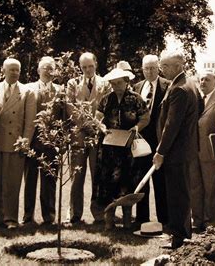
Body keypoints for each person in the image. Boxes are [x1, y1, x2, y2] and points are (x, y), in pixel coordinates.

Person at [93, 61, 150, 230]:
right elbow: (97, 117)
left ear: (126, 81)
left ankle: (127, 221)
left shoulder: (136, 99)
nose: (116, 86)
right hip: (109, 148)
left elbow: (145, 118)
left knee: (127, 181)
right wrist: (101, 127)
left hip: (128, 149)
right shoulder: (105, 99)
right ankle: (109, 221)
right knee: (108, 183)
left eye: (119, 82)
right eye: (113, 83)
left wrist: (137, 128)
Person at [152, 50, 200, 249]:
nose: (162, 70)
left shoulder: (180, 89)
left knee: (177, 195)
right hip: (184, 149)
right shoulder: (189, 84)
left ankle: (178, 237)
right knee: (181, 192)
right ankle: (182, 233)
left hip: (176, 152)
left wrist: (160, 152)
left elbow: (172, 125)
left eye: (165, 66)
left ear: (178, 66)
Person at [0, 58, 36, 229]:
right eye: (12, 70)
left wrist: (25, 142)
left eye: (18, 70)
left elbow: (30, 121)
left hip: (16, 143)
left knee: (13, 183)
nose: (15, 73)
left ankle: (10, 218)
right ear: (3, 70)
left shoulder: (27, 92)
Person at [66, 52, 110, 224]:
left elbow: (106, 105)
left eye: (90, 66)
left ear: (96, 64)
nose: (87, 70)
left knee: (97, 175)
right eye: (84, 67)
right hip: (79, 135)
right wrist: (85, 124)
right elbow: (70, 107)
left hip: (98, 135)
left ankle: (98, 213)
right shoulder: (73, 83)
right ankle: (75, 213)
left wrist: (96, 124)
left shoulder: (105, 84)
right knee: (77, 175)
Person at [132, 54, 170, 225]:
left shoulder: (167, 86)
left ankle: (164, 219)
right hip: (140, 143)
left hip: (160, 142)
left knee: (161, 182)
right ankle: (141, 219)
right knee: (141, 180)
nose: (149, 71)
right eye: (146, 68)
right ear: (142, 69)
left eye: (153, 68)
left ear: (158, 68)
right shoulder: (137, 87)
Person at [23, 56, 61, 225]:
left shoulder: (61, 91)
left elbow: (64, 117)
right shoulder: (27, 89)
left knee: (50, 181)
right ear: (38, 71)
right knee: (30, 180)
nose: (47, 71)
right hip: (32, 142)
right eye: (44, 68)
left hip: (52, 144)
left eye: (50, 68)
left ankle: (49, 216)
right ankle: (28, 216)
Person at [197, 69, 215, 228]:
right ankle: (198, 219)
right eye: (201, 79)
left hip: (211, 150)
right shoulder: (195, 98)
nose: (203, 82)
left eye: (207, 79)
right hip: (194, 150)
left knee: (210, 188)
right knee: (195, 187)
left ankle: (210, 221)